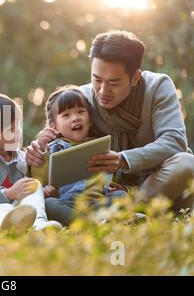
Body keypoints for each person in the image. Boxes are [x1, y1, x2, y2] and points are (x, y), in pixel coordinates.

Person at [26, 31, 194, 224]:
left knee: (186, 163)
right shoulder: (83, 99)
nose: (103, 91)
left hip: (153, 183)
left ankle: (128, 211)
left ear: (135, 78)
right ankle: (124, 216)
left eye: (114, 82)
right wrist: (38, 149)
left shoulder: (157, 87)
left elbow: (175, 141)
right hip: (106, 192)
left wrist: (123, 159)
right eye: (97, 79)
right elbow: (59, 139)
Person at [0, 92, 62, 240]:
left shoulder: (21, 158)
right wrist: (6, 194)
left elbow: (25, 196)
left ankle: (38, 225)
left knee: (34, 184)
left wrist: (43, 191)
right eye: (10, 130)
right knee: (2, 208)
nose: (18, 133)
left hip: (14, 214)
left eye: (18, 126)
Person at [30, 85, 128, 226]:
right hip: (67, 205)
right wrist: (46, 191)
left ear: (91, 119)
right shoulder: (51, 149)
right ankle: (89, 223)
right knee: (49, 204)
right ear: (54, 127)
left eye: (81, 112)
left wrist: (116, 186)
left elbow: (112, 173)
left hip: (97, 203)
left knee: (121, 196)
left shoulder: (101, 145)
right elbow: (39, 179)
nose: (75, 118)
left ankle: (89, 222)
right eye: (66, 115)